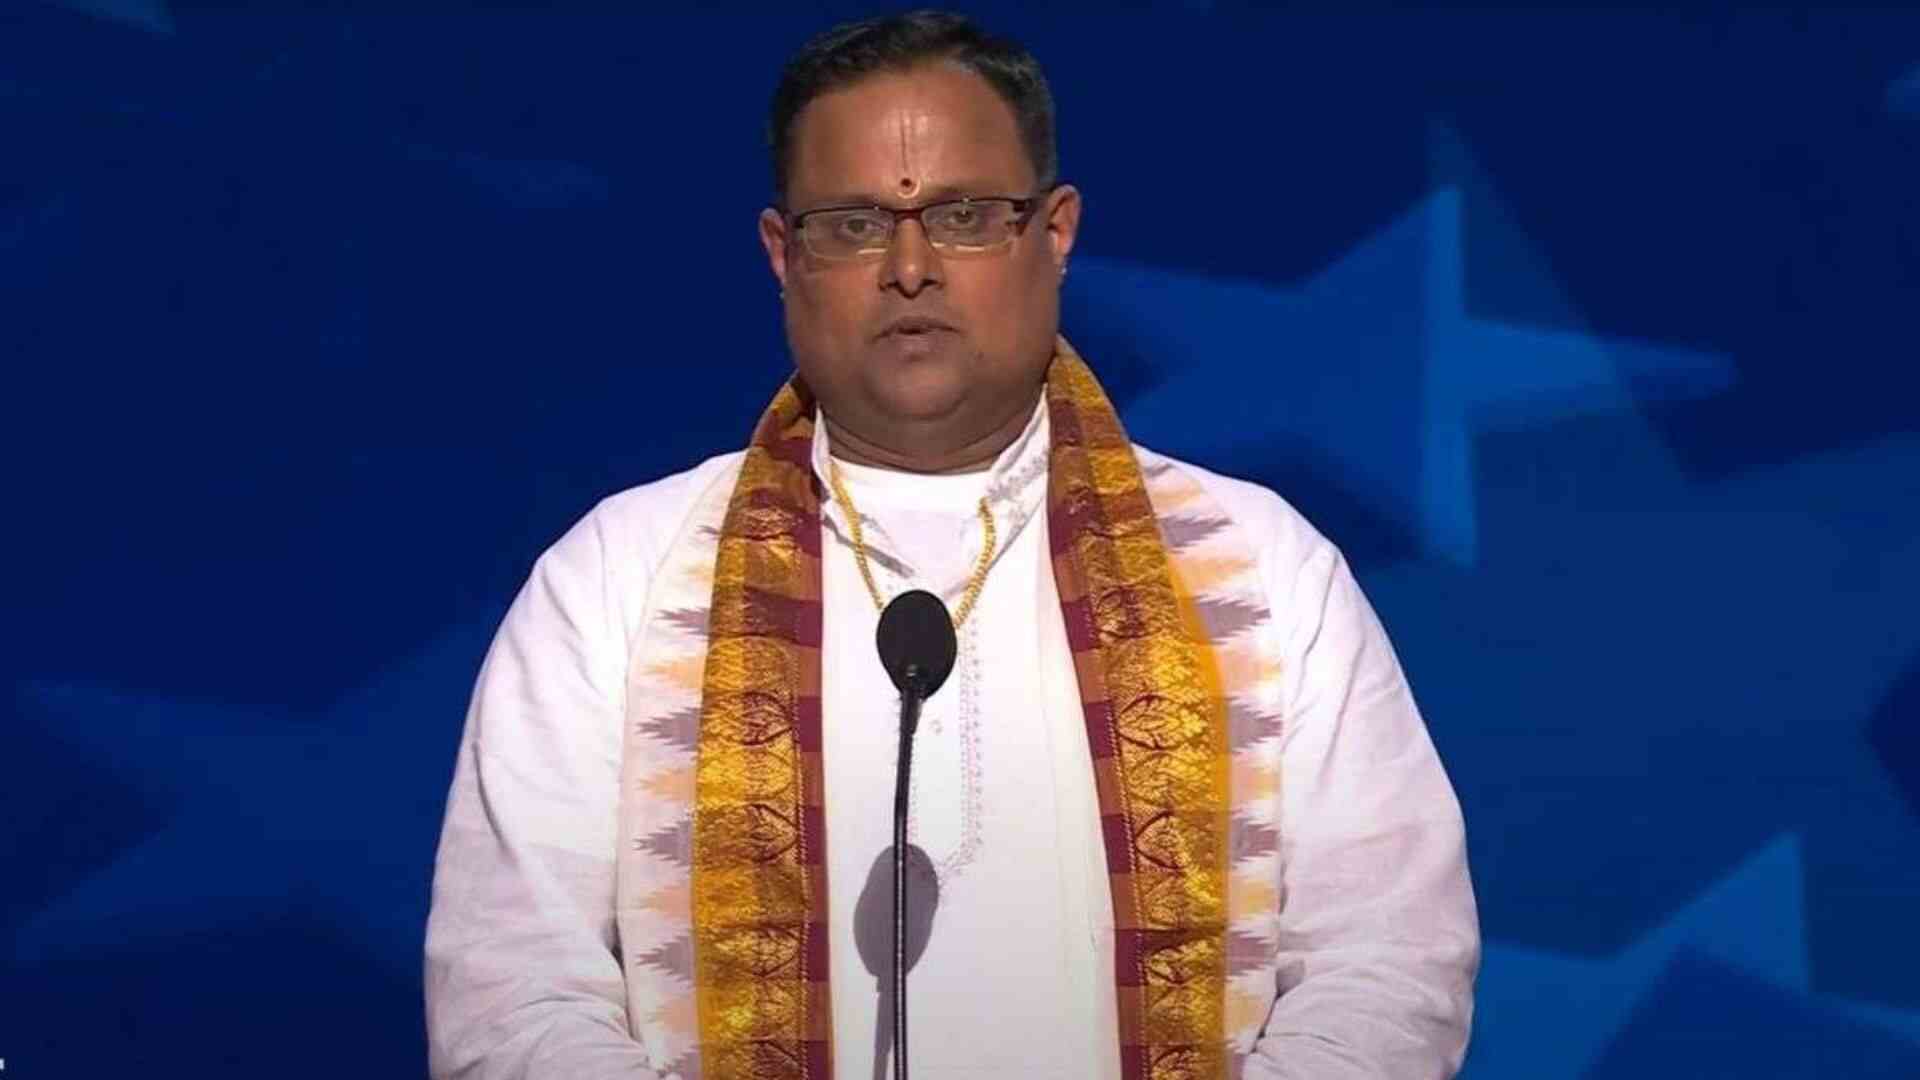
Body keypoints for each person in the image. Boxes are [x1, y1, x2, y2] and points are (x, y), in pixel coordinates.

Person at [423, 10, 1478, 1079]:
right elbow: (512, 991)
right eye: (853, 223)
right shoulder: (618, 579)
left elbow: (1391, 961)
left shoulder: (1257, 569)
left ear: (1054, 232)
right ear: (782, 256)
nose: (912, 265)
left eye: (967, 215)